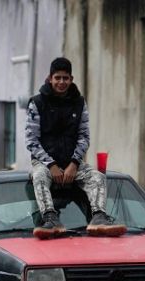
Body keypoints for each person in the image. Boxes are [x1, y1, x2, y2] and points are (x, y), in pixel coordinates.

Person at [25, 57, 126, 239]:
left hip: (73, 165)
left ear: (71, 79)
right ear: (50, 78)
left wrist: (74, 163)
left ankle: (98, 218)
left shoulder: (79, 103)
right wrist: (51, 165)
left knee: (98, 177)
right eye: (57, 78)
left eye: (65, 78)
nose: (61, 82)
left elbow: (84, 137)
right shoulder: (37, 103)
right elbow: (31, 140)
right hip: (44, 165)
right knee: (38, 176)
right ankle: (50, 219)